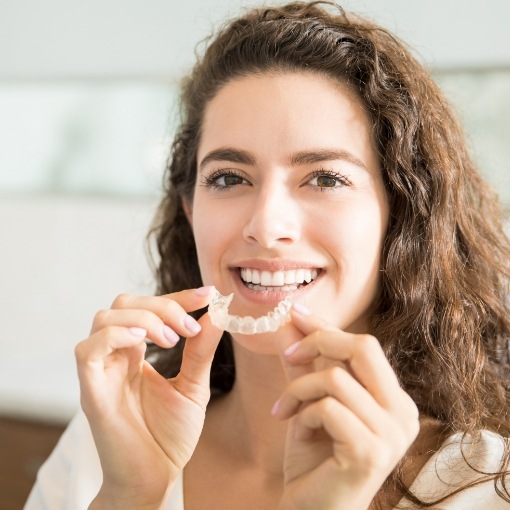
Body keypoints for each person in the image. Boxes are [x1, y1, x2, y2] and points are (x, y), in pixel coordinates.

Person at [25, 1, 510, 509]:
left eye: (325, 178)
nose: (265, 226)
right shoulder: (104, 446)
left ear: (402, 214)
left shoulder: (483, 486)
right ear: (190, 211)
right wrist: (131, 495)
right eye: (229, 178)